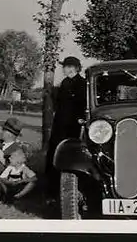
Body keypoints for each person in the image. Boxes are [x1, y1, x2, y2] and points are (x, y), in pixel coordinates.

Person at [45, 56, 87, 203]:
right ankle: (52, 192)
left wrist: (80, 119)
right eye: (65, 67)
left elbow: (82, 105)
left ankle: (75, 192)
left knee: (72, 156)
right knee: (54, 154)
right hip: (60, 125)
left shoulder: (83, 84)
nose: (67, 70)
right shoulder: (64, 83)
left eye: (70, 67)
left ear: (76, 68)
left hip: (73, 126)